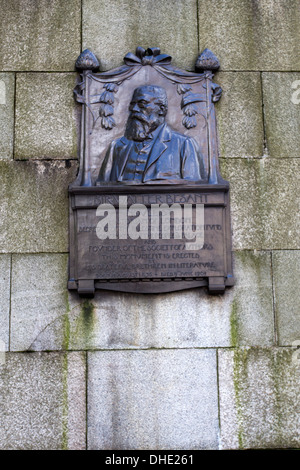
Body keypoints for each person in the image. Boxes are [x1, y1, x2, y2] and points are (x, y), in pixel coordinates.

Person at [97, 85, 205, 183]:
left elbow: (193, 189)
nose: (134, 109)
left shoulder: (183, 144)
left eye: (142, 104)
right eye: (132, 105)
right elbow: (101, 190)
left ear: (161, 110)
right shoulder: (116, 146)